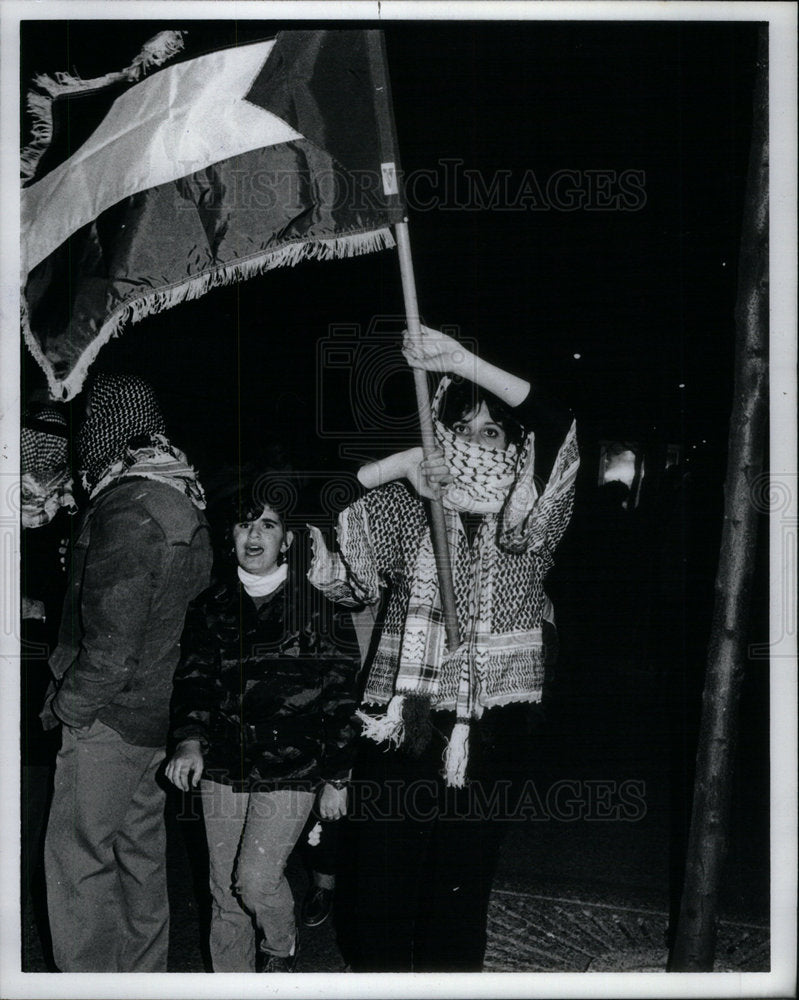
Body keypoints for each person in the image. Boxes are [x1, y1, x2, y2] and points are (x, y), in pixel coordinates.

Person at [309, 325, 579, 971]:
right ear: (439, 433)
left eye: (493, 430)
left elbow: (559, 421)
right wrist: (393, 470)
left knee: (458, 881)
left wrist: (460, 362)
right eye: (462, 427)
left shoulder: (527, 517)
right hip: (401, 715)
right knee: (378, 876)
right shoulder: (407, 503)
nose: (476, 441)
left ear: (513, 445)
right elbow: (351, 578)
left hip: (492, 723)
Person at [40, 372, 212, 972]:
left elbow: (110, 650)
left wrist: (69, 708)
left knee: (79, 858)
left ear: (103, 431)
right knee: (140, 855)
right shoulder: (182, 495)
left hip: (109, 718)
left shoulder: (127, 508)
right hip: (157, 715)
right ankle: (143, 978)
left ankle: (89, 984)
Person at [165, 482, 361, 973]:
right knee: (221, 888)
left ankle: (279, 944)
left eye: (268, 525)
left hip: (294, 766)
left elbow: (341, 699)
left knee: (253, 880)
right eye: (244, 524)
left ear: (287, 540)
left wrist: (337, 778)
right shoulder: (209, 606)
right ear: (229, 535)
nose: (254, 536)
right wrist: (189, 742)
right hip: (224, 765)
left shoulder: (318, 605)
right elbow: (194, 683)